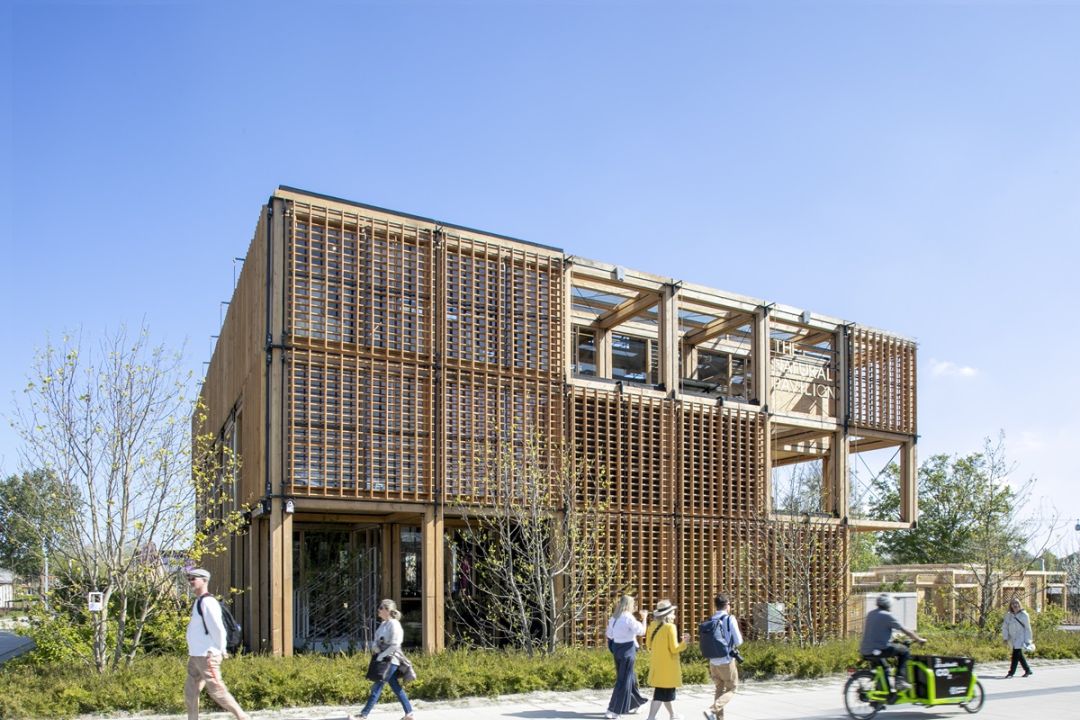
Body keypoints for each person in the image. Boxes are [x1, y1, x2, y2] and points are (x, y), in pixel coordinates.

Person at [184, 568, 250, 720]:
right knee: (190, 691)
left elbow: (218, 628)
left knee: (217, 690)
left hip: (207, 655)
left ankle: (242, 716)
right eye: (189, 579)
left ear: (204, 580)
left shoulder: (208, 602)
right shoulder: (198, 601)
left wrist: (221, 649)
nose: (190, 582)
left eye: (194, 579)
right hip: (196, 655)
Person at [352, 599, 416, 720]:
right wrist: (375, 646)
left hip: (391, 659)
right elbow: (377, 639)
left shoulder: (394, 624)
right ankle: (409, 713)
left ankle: (363, 714)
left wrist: (382, 655)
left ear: (388, 610)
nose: (379, 610)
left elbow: (395, 644)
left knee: (377, 685)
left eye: (381, 608)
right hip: (383, 659)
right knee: (395, 687)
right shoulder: (383, 624)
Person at [859, 593, 926, 691]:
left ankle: (881, 698)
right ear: (889, 605)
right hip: (878, 650)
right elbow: (905, 630)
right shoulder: (887, 616)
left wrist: (892, 640)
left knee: (885, 669)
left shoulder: (871, 614)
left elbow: (877, 632)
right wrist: (918, 639)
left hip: (865, 650)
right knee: (904, 651)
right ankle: (899, 680)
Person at [644, 600, 689, 720]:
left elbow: (648, 644)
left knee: (665, 693)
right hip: (668, 667)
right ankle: (651, 717)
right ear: (669, 613)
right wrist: (685, 642)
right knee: (661, 694)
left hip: (657, 665)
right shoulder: (671, 627)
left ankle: (673, 715)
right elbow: (674, 649)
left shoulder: (652, 625)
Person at [605, 594, 648, 719]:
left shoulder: (614, 618)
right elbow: (641, 631)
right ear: (629, 605)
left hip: (617, 649)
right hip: (628, 650)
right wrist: (644, 618)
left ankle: (638, 702)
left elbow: (610, 635)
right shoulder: (628, 618)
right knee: (623, 681)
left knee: (628, 677)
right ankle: (614, 710)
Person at [703, 594, 743, 720]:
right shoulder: (729, 618)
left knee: (719, 689)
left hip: (712, 661)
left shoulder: (711, 619)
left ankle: (718, 718)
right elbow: (738, 641)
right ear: (727, 605)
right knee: (732, 688)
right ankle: (712, 710)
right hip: (726, 660)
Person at [1001, 597, 1034, 678]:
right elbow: (1005, 627)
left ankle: (1011, 672)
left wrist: (1028, 640)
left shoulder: (1024, 615)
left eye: (1017, 603)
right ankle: (1028, 670)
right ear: (1011, 606)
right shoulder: (1008, 615)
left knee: (1015, 654)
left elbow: (1027, 628)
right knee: (1019, 655)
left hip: (1021, 638)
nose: (1015, 605)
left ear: (1020, 604)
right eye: (1013, 603)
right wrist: (1005, 638)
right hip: (1012, 638)